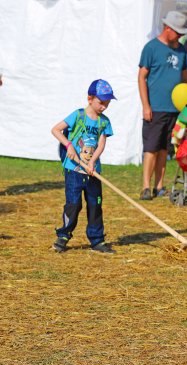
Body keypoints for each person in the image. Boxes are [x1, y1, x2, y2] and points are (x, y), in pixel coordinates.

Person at [51, 79, 116, 254]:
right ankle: (63, 235)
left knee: (95, 204)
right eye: (101, 102)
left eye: (107, 103)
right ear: (90, 99)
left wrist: (93, 161)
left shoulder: (104, 122)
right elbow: (56, 130)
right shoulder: (78, 116)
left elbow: (101, 144)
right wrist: (69, 146)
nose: (104, 107)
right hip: (74, 169)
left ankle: (97, 240)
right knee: (74, 204)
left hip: (93, 171)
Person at [138, 11, 187, 200]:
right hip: (156, 107)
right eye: (178, 33)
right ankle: (145, 186)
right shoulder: (151, 48)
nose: (180, 36)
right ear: (168, 28)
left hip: (175, 109)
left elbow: (185, 77)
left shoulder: (182, 50)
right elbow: (142, 77)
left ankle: (158, 186)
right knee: (151, 147)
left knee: (164, 149)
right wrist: (146, 105)